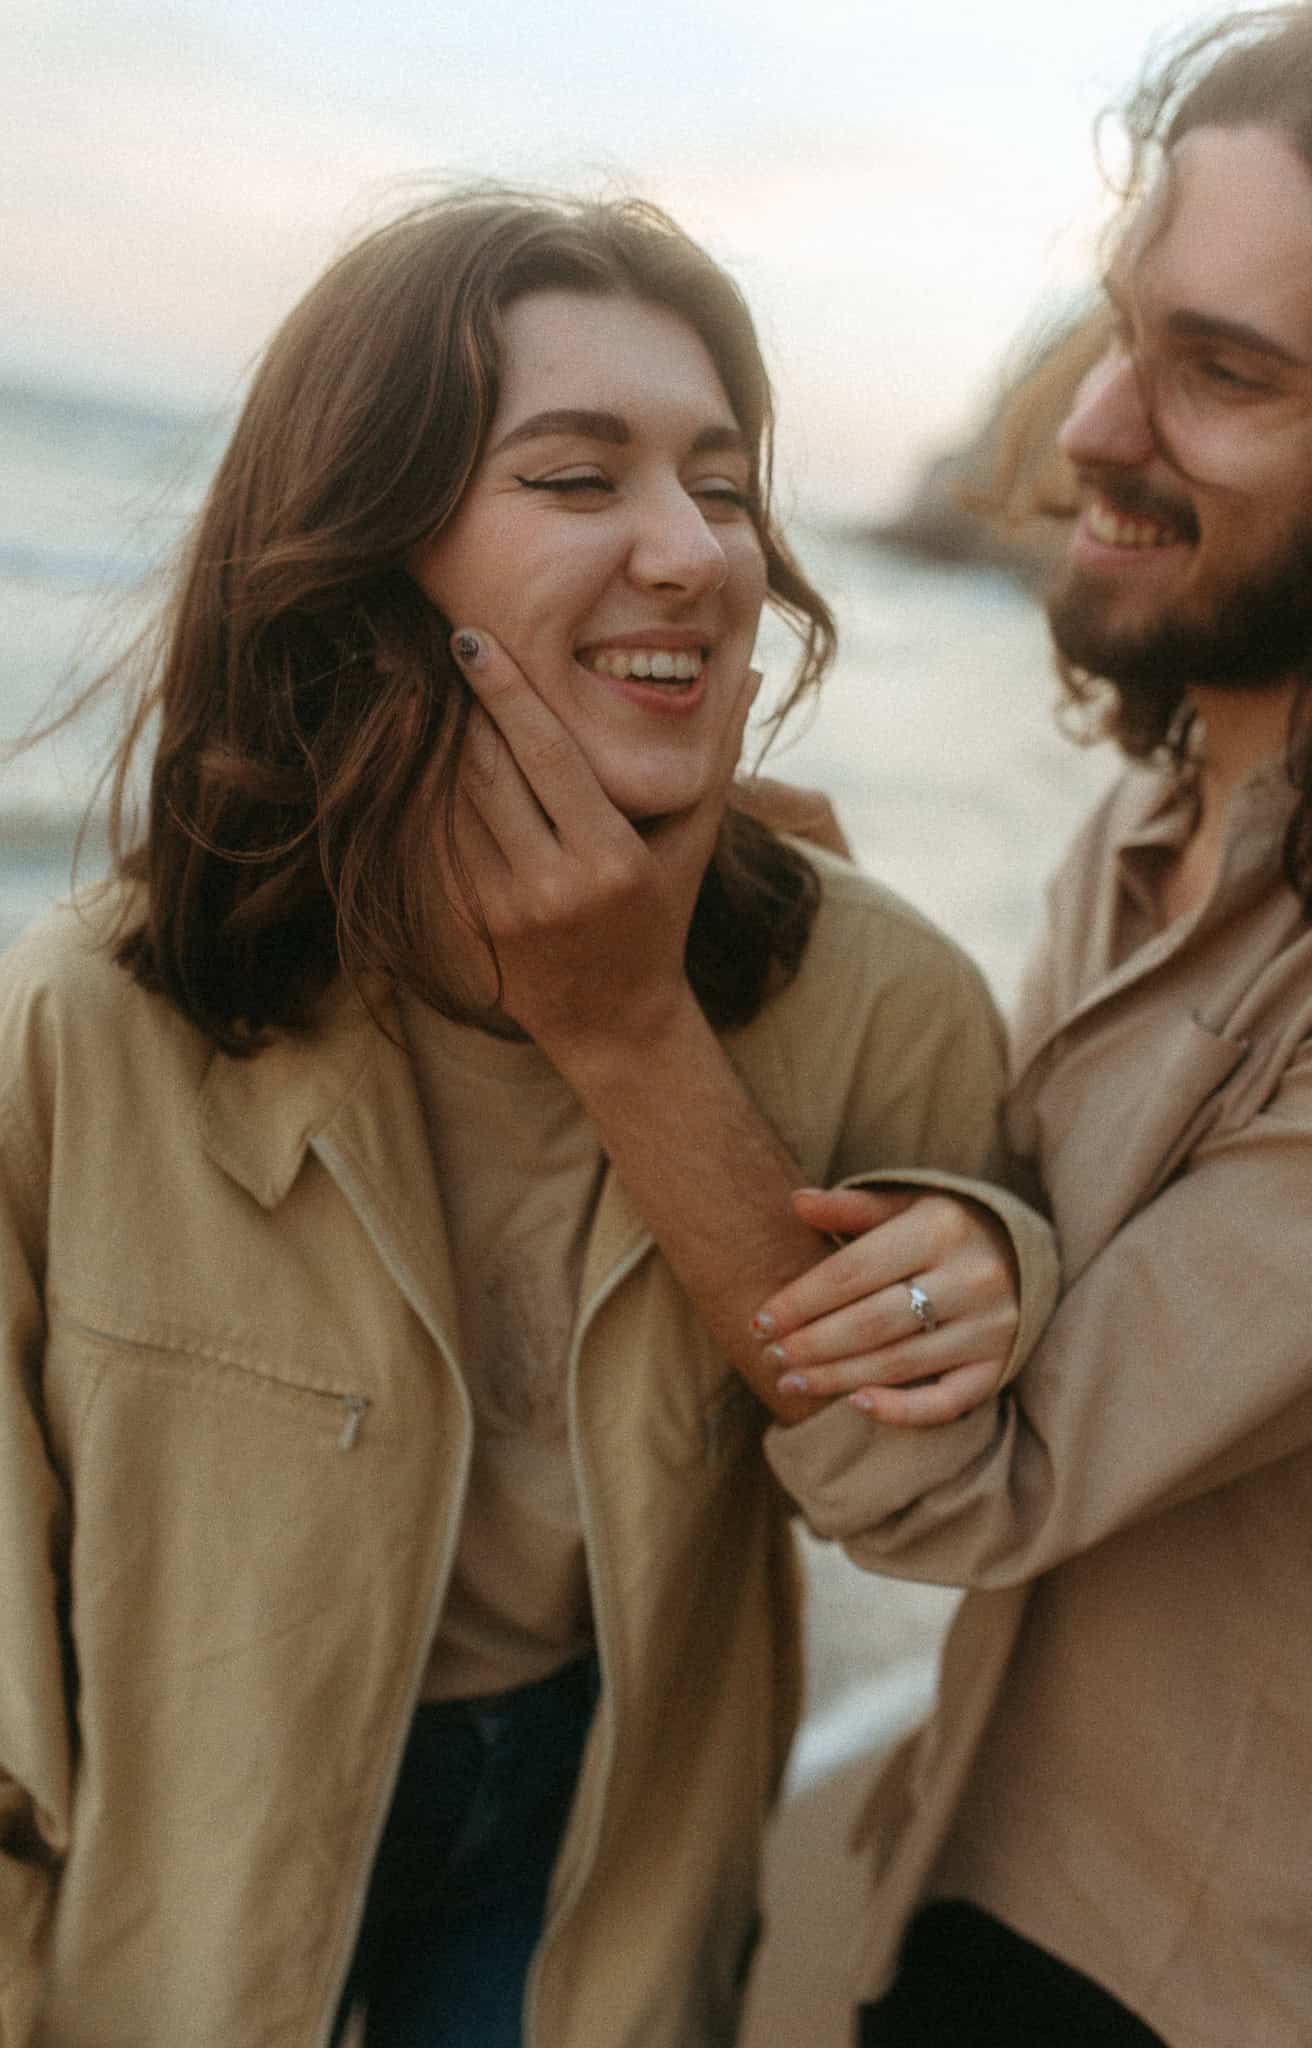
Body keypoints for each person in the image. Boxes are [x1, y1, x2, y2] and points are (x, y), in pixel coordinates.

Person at [0, 189, 1056, 2047]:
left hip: (595, 1831)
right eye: (578, 481)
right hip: (195, 1824)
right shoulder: (93, 1013)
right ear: (359, 553)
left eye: (720, 487)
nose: (692, 555)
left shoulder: (878, 999)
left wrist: (643, 1037)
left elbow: (939, 1513)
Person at [749, 5, 1312, 2041]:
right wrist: (791, 939)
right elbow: (1004, 1236)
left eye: (1220, 374)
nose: (1093, 426)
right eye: (1125, 330)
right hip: (982, 1866)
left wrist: (608, 1022)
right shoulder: (1160, 804)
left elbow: (961, 1474)